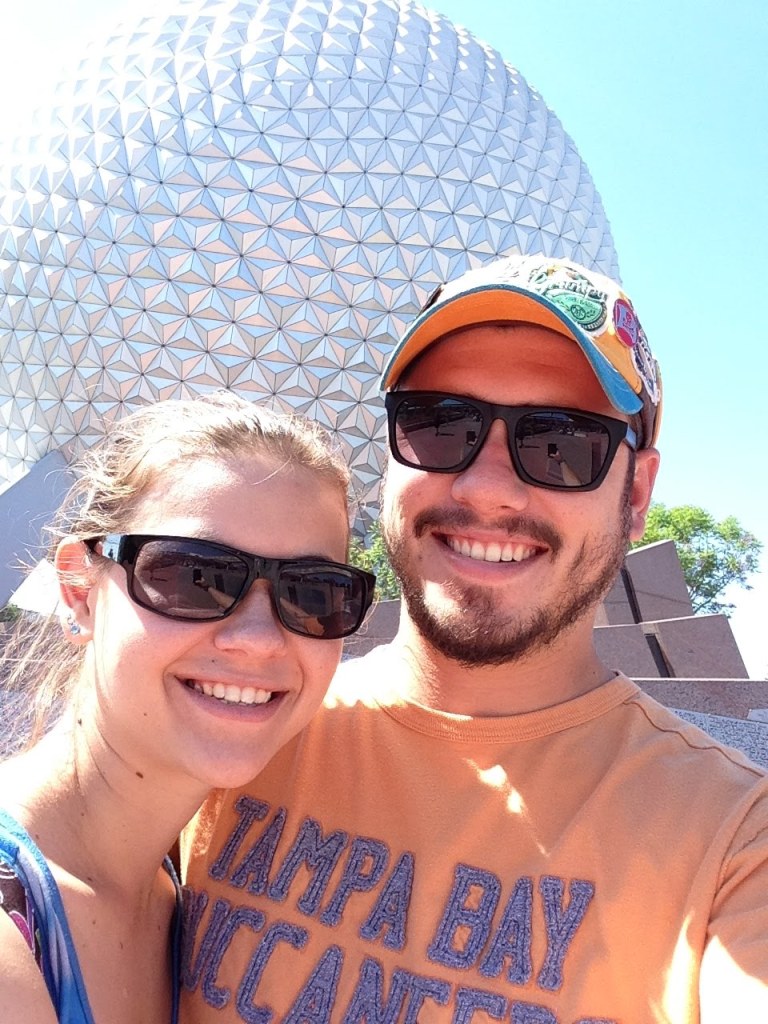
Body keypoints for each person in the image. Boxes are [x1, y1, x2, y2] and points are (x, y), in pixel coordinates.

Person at [180, 255, 768, 1022]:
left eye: (562, 443)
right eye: (438, 423)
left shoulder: (734, 846)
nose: (486, 487)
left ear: (637, 496)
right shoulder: (230, 729)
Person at [0, 392, 375, 1024]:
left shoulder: (195, 898)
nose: (258, 639)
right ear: (79, 592)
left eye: (315, 593)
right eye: (194, 577)